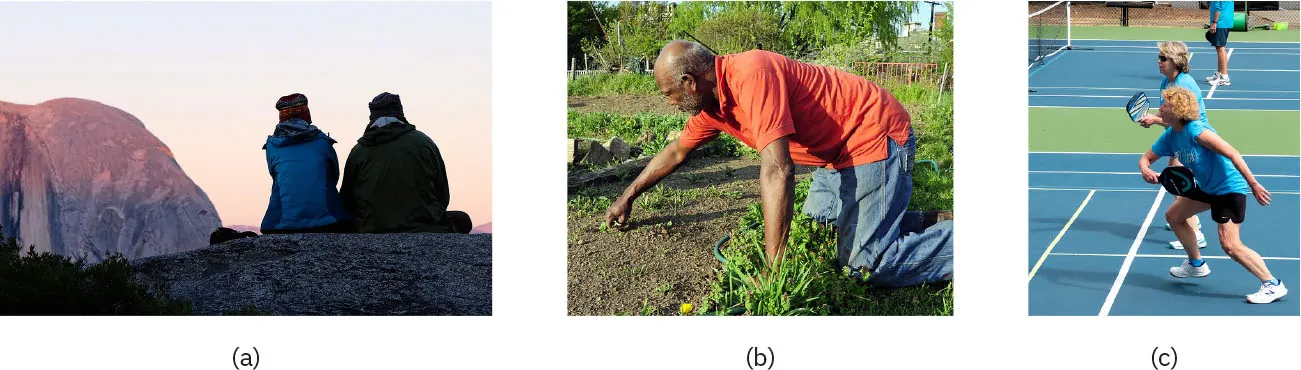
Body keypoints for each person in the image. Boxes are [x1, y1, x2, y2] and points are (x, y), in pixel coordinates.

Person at [603, 40, 952, 287]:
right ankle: (915, 221)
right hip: (835, 157)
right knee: (818, 234)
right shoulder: (712, 107)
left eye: (669, 94)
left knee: (865, 265)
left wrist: (774, 270)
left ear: (689, 82)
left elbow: (778, 170)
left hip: (872, 136)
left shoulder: (752, 73)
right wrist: (627, 196)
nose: (670, 103)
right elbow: (677, 151)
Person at [1138, 86, 1285, 304]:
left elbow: (1233, 153)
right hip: (1207, 188)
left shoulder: (1197, 131)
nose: (1160, 108)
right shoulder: (1171, 135)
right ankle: (1196, 265)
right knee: (1174, 216)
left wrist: (1253, 184)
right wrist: (1145, 170)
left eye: (1165, 105)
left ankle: (1272, 284)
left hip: (1228, 188)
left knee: (1230, 245)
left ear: (1177, 110)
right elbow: (1146, 158)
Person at [340, 92, 457, 233]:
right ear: (400, 112)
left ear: (372, 116)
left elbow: (346, 198)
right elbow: (443, 193)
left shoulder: (359, 151)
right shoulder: (424, 143)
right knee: (462, 219)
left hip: (371, 227)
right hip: (423, 225)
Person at [1139, 41, 1208, 250]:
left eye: (1163, 58)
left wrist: (1155, 120)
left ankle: (1195, 233)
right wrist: (1152, 116)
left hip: (1192, 138)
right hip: (1178, 135)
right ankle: (1188, 217)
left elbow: (1182, 119)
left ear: (1175, 61)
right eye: (1159, 58)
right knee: (1175, 178)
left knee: (1179, 181)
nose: (1158, 62)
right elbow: (1166, 111)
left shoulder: (1184, 84)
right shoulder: (1167, 81)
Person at [260, 93, 353, 234]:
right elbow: (333, 175)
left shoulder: (272, 147)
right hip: (327, 222)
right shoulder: (323, 143)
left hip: (284, 225)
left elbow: (276, 177)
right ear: (306, 114)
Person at [1206, 1, 1234, 86]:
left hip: (1220, 23)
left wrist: (1214, 23)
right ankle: (1219, 74)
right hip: (1226, 21)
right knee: (1219, 48)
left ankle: (1224, 78)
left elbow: (1218, 8)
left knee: (1220, 48)